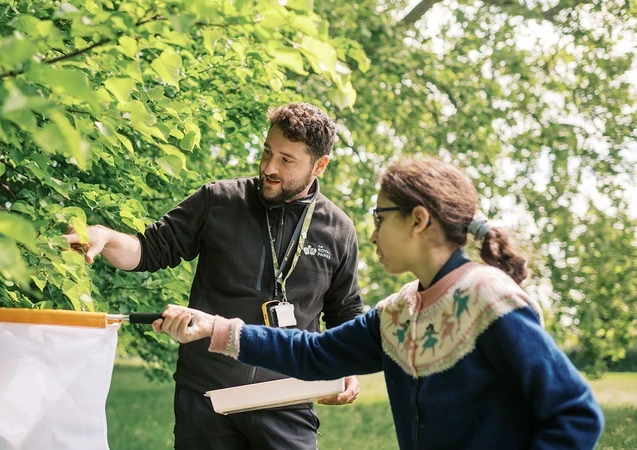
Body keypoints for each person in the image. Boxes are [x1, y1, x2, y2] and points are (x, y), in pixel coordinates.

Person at [155, 157, 605, 450]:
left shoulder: (488, 298)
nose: (369, 234)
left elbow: (576, 415)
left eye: (379, 217)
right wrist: (215, 328)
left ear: (419, 220)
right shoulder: (400, 311)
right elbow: (314, 354)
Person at [65, 103, 364, 449]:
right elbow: (148, 250)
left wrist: (348, 365)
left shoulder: (338, 230)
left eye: (286, 160)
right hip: (207, 396)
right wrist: (106, 236)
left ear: (319, 165)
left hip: (288, 399)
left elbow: (345, 312)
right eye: (267, 152)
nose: (269, 167)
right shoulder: (218, 200)